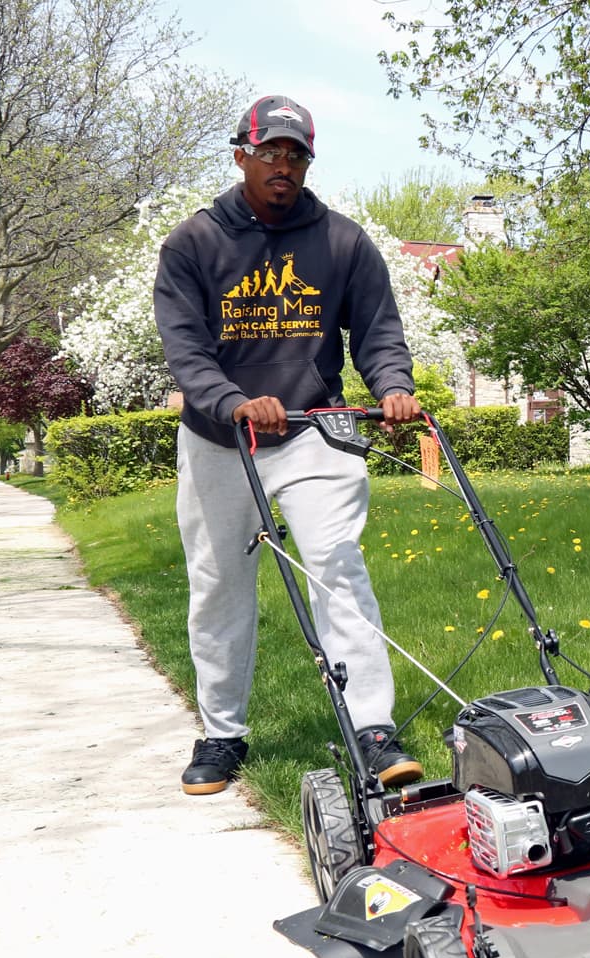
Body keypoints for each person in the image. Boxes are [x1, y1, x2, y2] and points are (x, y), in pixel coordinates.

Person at [154, 95, 423, 796]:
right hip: (220, 440)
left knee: (338, 565)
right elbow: (186, 352)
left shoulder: (341, 241)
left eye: (295, 154)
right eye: (268, 151)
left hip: (313, 433)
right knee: (219, 587)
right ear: (240, 154)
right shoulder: (194, 243)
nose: (282, 165)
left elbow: (378, 331)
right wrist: (235, 402)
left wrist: (393, 384)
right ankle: (222, 733)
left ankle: (372, 728)